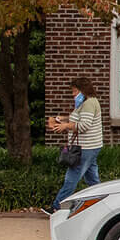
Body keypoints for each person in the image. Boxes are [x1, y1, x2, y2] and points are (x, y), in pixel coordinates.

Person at [48, 77, 104, 212]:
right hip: (90, 146)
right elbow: (78, 117)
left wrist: (65, 126)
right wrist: (61, 119)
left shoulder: (89, 104)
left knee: (72, 177)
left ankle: (57, 207)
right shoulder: (85, 103)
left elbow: (84, 125)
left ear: (82, 90)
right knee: (92, 180)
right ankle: (103, 204)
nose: (73, 95)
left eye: (74, 91)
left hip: (86, 148)